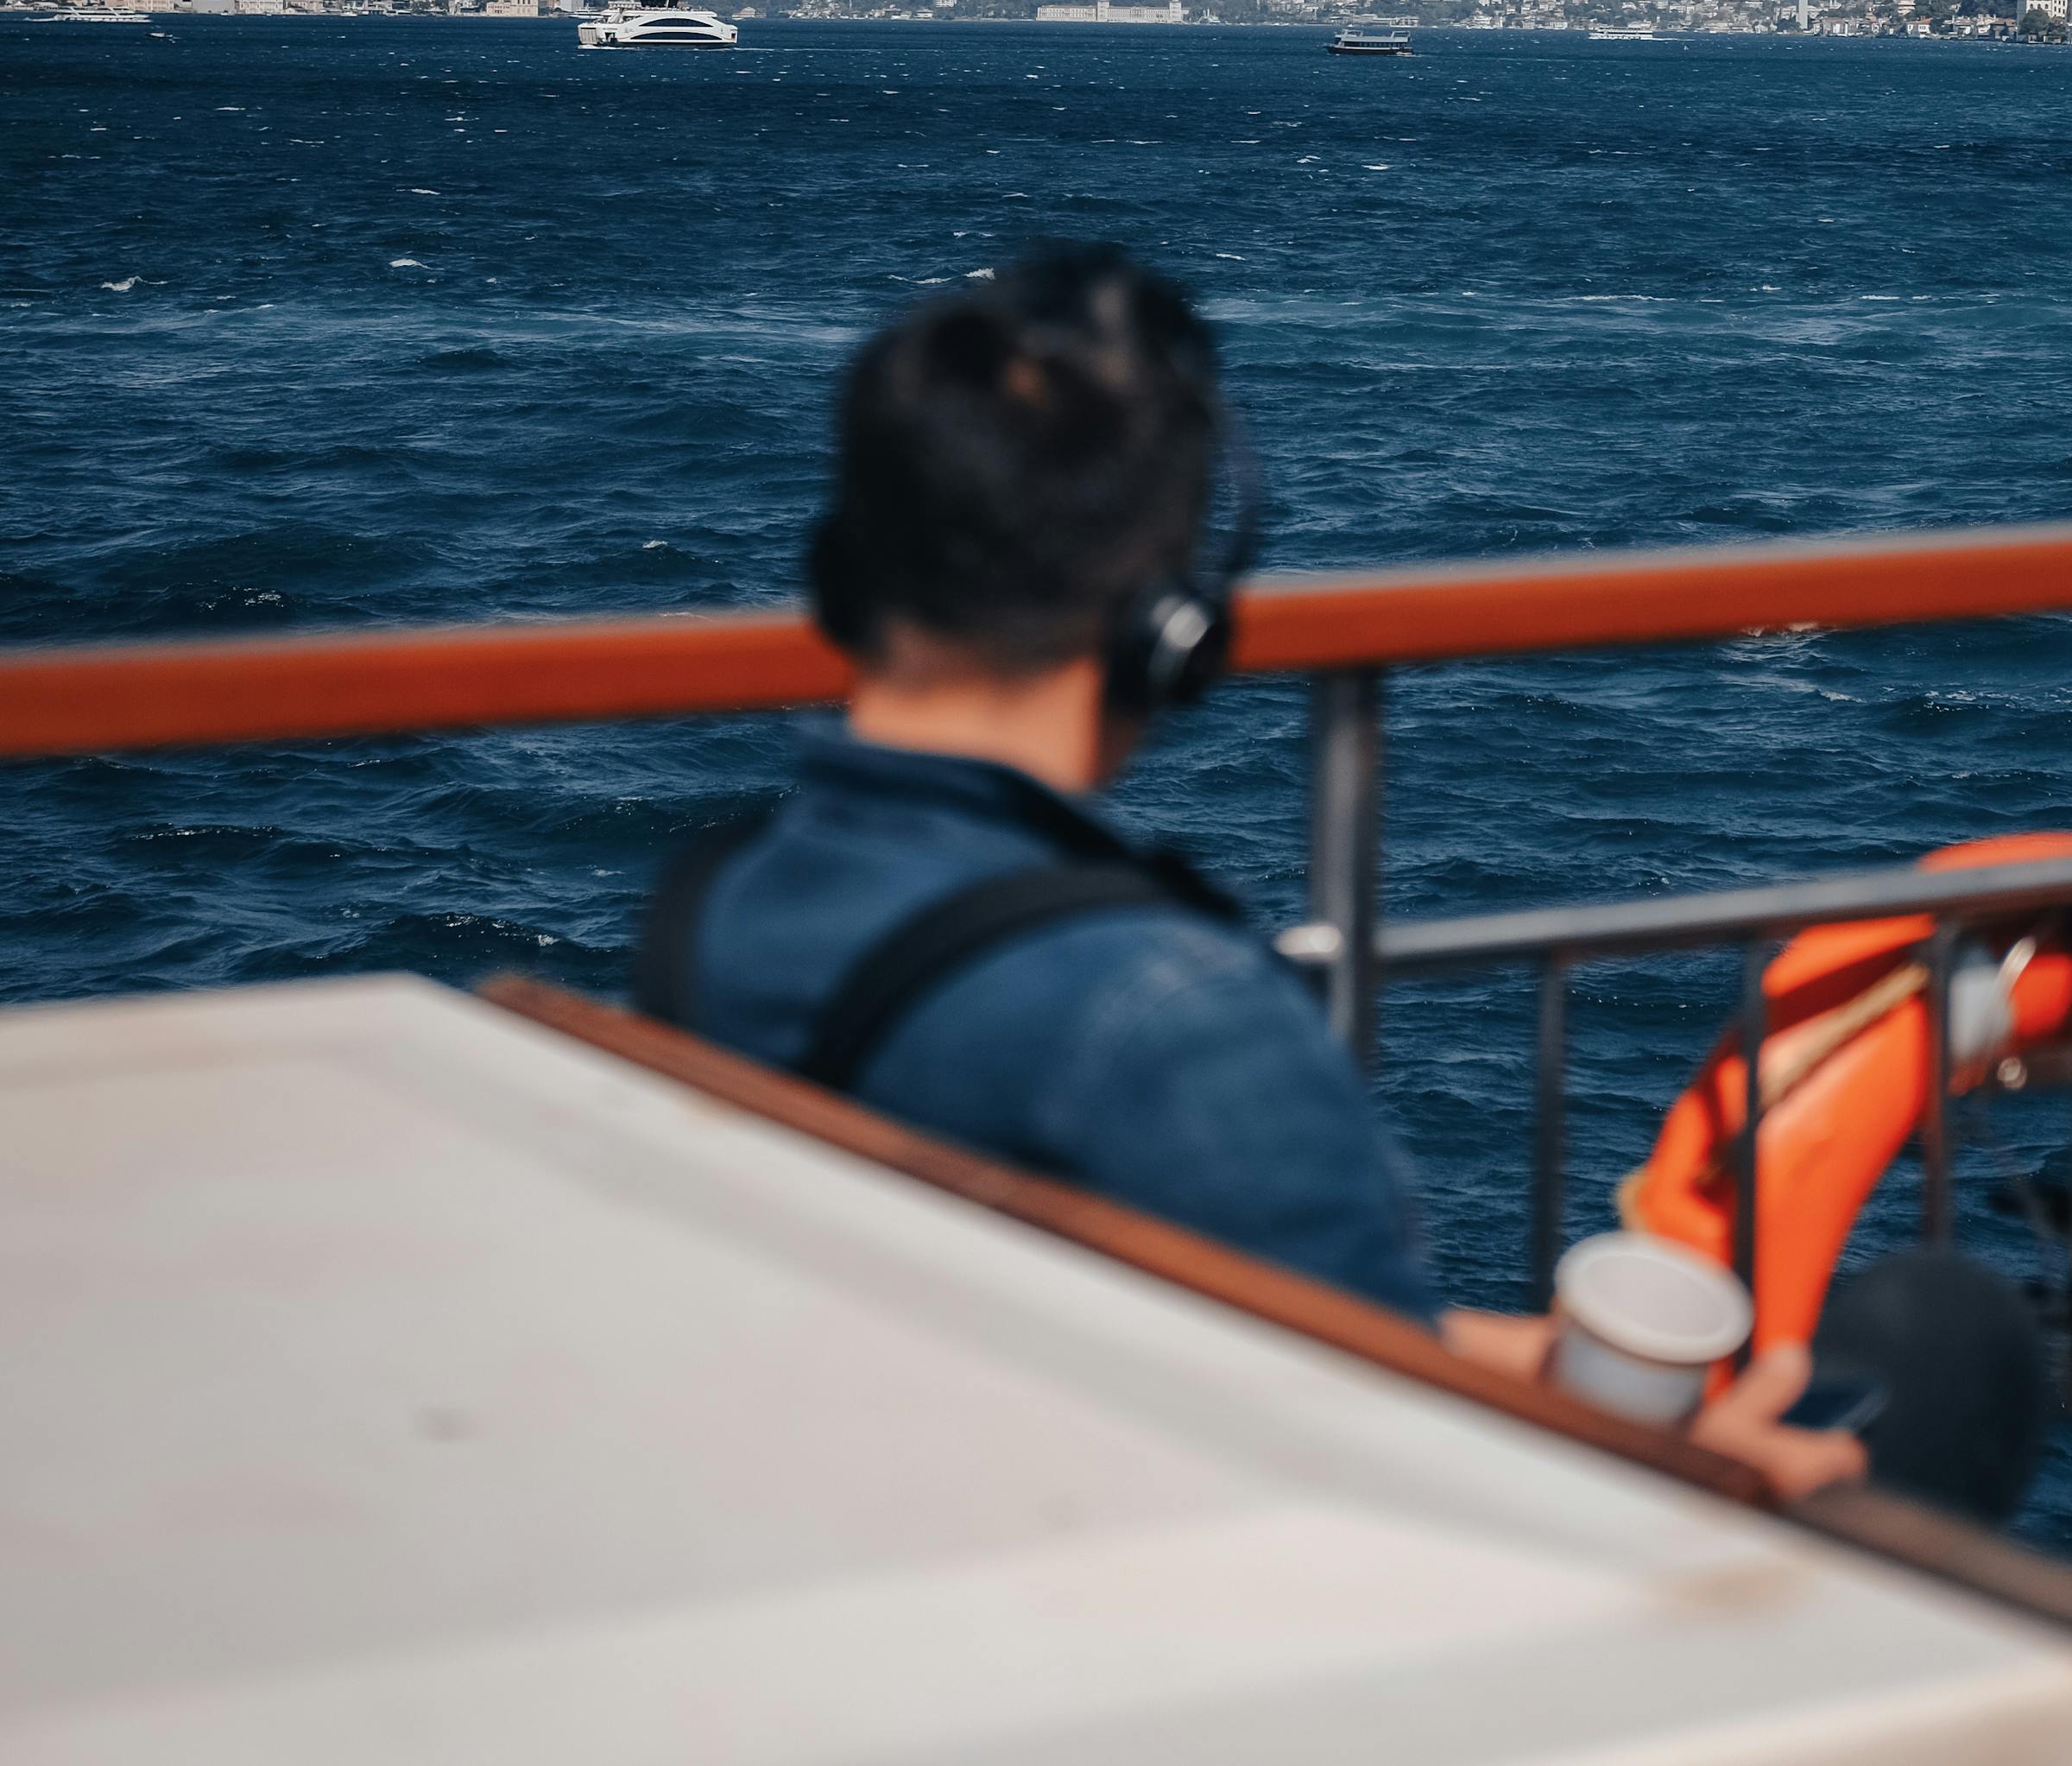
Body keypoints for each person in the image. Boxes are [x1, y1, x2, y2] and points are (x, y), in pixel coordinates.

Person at [641, 244, 1860, 1497]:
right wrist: (1715, 1479)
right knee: (1915, 1355)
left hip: (888, 1497)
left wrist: (1523, 1364)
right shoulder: (1173, 1023)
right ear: (1170, 632)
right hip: (1191, 1550)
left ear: (843, 583)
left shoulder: (712, 905)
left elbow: (1292, 1328)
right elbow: (1392, 1449)